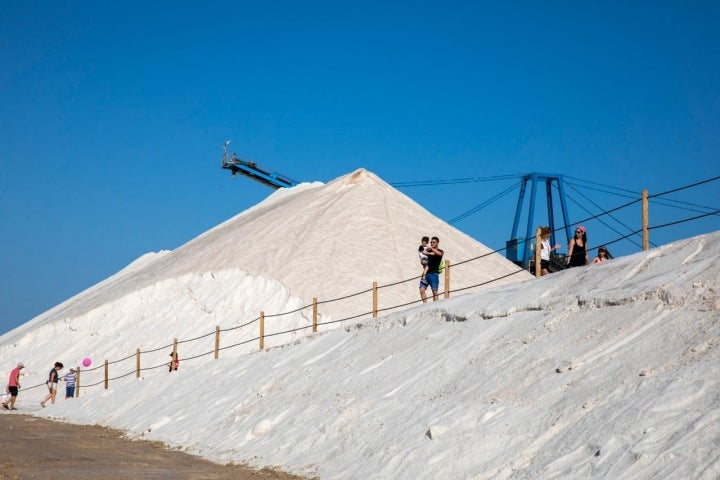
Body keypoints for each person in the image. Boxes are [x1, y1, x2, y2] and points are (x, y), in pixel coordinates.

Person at [419, 236, 444, 302]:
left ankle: (435, 306)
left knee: (434, 291)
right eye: (431, 242)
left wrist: (431, 250)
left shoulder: (440, 251)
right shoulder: (428, 250)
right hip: (426, 273)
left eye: (433, 242)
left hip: (434, 274)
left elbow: (440, 254)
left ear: (437, 243)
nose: (432, 243)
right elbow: (423, 259)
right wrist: (422, 261)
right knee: (422, 289)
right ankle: (425, 306)